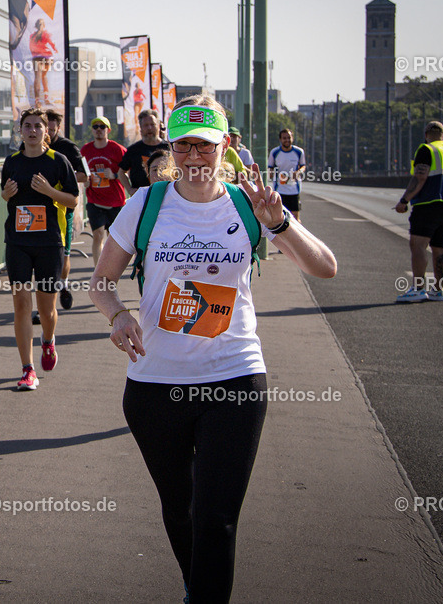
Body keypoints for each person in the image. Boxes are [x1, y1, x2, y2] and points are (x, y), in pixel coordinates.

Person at [88, 95, 337, 604]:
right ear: (171, 148)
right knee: (180, 509)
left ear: (225, 146)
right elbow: (101, 281)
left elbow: (325, 267)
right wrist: (118, 315)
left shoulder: (250, 204)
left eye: (205, 145)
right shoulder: (146, 204)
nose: (194, 156)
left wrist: (280, 223)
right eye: (184, 145)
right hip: (155, 383)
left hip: (234, 377)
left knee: (217, 518)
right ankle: (194, 583)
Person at [1, 107, 79, 390]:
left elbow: (72, 200)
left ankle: (48, 340)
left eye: (38, 126)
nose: (32, 131)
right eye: (27, 126)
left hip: (49, 242)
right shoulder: (12, 161)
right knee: (21, 304)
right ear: (20, 131)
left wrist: (49, 192)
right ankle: (27, 369)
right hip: (18, 242)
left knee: (46, 310)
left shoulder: (58, 161)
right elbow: (5, 194)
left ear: (47, 131)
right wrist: (5, 194)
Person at [393, 120, 443, 302]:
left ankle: (418, 288)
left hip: (427, 203)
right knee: (440, 247)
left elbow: (420, 176)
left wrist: (404, 200)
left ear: (426, 135)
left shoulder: (426, 149)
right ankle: (438, 291)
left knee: (418, 245)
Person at [46, 108, 88, 311]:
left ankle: (62, 284)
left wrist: (59, 182)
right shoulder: (29, 146)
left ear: (58, 128)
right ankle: (46, 303)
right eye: (45, 129)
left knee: (63, 252)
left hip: (63, 206)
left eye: (51, 130)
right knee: (43, 256)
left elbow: (84, 175)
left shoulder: (67, 148)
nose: (47, 134)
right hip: (39, 208)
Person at [81, 116, 127, 266]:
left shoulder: (118, 149)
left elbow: (128, 171)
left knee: (113, 238)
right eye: (95, 127)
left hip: (115, 201)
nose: (99, 130)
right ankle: (98, 270)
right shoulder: (86, 150)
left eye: (102, 127)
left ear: (108, 130)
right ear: (92, 130)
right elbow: (81, 172)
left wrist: (114, 175)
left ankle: (113, 267)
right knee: (98, 235)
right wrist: (85, 180)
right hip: (95, 200)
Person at [120, 109, 170, 195]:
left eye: (152, 124)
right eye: (146, 125)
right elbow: (121, 172)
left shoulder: (169, 148)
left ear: (158, 126)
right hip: (141, 197)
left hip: (166, 194)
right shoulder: (133, 150)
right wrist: (130, 189)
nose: (149, 128)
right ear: (141, 128)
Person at [268, 128, 306, 221]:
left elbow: (303, 166)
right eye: (284, 138)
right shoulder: (275, 152)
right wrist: (271, 174)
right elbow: (270, 167)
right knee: (280, 217)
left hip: (294, 189)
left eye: (289, 138)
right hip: (280, 189)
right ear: (280, 139)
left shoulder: (299, 151)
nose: (287, 140)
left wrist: (298, 172)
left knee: (295, 217)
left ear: (292, 138)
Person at [29, 18, 57, 107]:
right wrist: (55, 49)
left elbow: (31, 47)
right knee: (41, 76)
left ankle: (41, 99)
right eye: (40, 24)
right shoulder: (42, 35)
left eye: (41, 24)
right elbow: (52, 44)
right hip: (43, 57)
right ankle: (42, 99)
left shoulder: (35, 36)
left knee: (41, 76)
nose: (40, 26)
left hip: (42, 57)